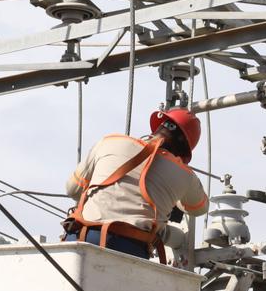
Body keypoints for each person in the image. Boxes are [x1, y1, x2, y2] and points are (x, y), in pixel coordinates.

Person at [64, 107, 208, 260]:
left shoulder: (110, 141)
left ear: (158, 126)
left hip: (81, 238)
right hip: (130, 248)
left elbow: (72, 189)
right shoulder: (185, 175)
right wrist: (174, 194)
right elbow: (198, 209)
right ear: (184, 149)